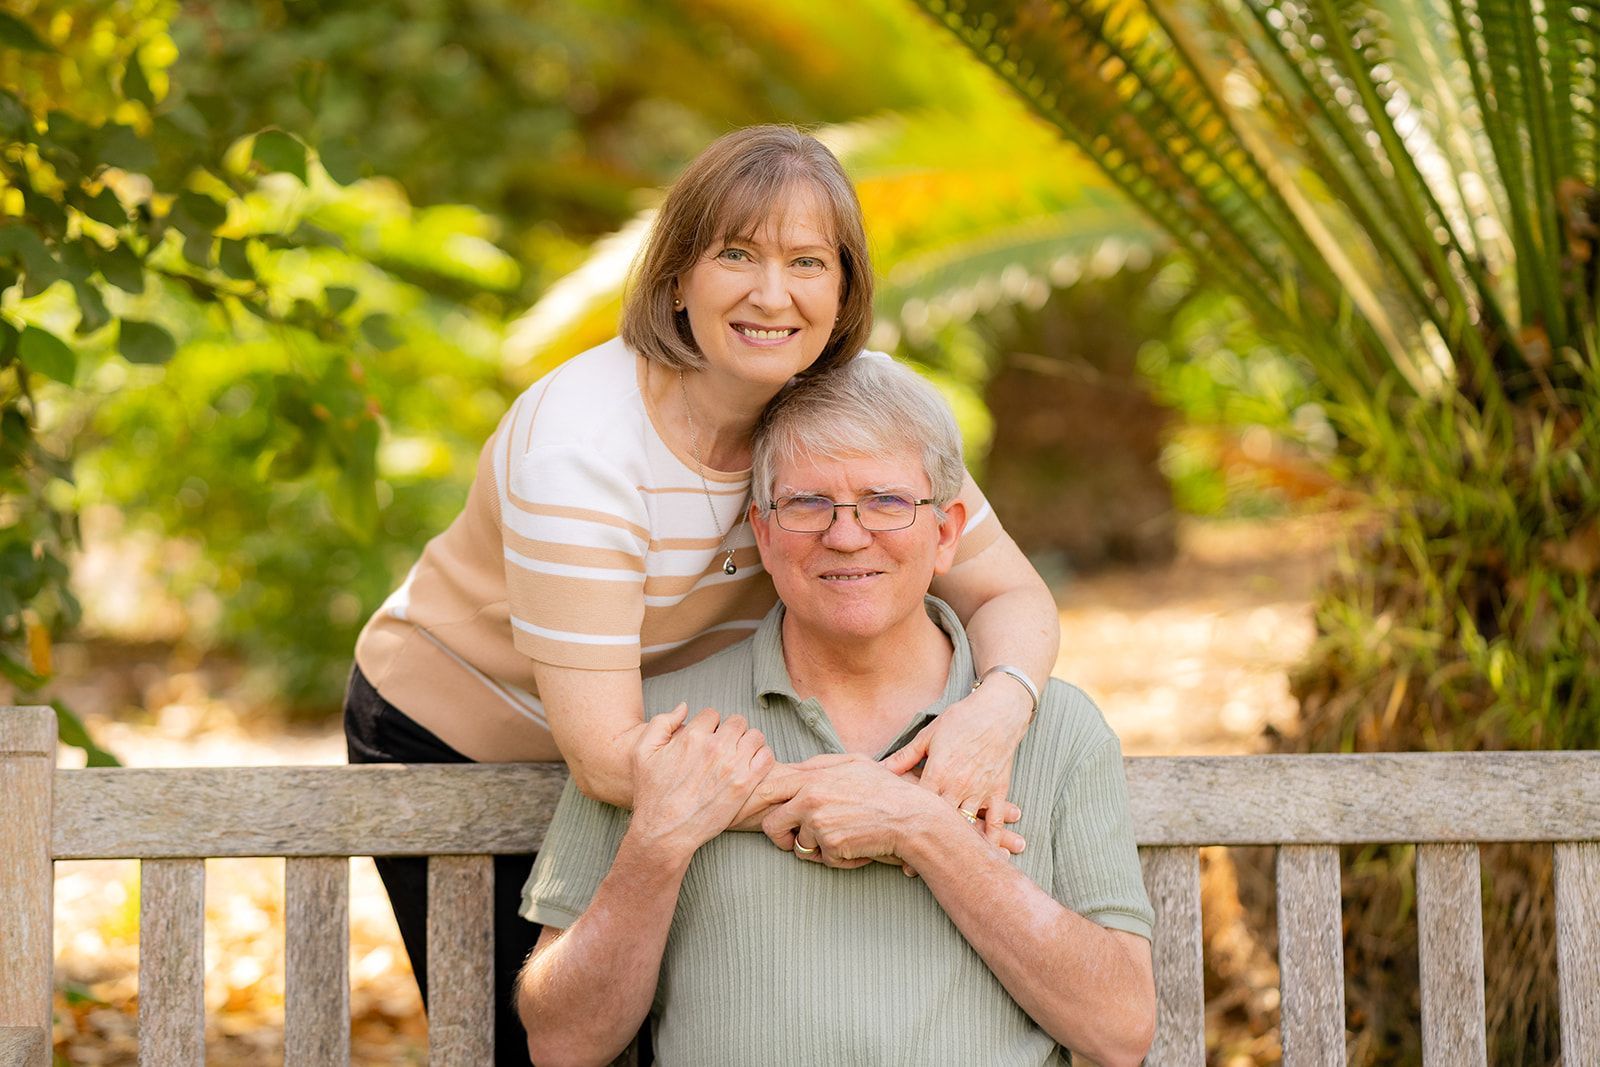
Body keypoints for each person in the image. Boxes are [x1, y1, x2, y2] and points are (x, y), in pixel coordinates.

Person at [343, 125, 1061, 1059]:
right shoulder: (583, 451)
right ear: (677, 276)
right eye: (736, 254)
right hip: (465, 735)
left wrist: (992, 715)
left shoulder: (863, 415)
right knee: (540, 1045)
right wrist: (893, 801)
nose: (774, 294)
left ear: (844, 289)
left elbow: (1012, 594)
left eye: (808, 260)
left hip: (690, 746)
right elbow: (606, 758)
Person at [515, 356, 1156, 1067]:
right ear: (761, 530)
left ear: (946, 532)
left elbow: (1121, 1030)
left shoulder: (1054, 727)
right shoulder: (668, 728)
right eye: (807, 503)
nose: (847, 535)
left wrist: (923, 830)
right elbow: (561, 1042)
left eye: (885, 500)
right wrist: (659, 843)